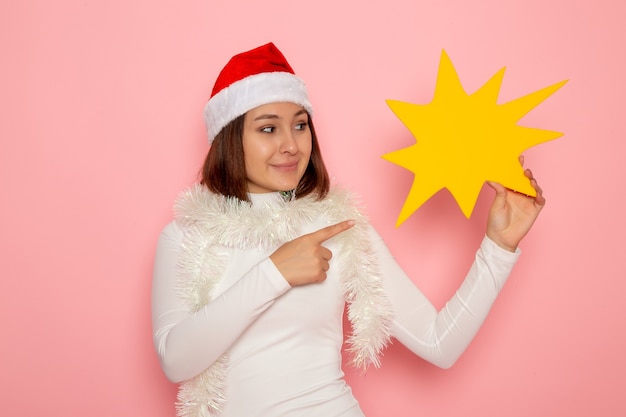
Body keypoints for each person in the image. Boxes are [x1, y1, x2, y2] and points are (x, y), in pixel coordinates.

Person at [151, 42, 545, 417]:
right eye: (268, 129)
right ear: (229, 139)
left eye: (300, 125)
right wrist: (275, 272)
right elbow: (176, 360)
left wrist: (498, 247)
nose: (291, 145)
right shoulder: (187, 236)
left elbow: (438, 342)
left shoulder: (336, 226)